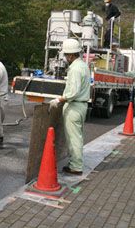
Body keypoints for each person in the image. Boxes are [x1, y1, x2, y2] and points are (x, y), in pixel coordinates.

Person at [49, 39, 90, 175]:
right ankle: (75, 162)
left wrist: (58, 99)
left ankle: (76, 166)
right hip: (81, 106)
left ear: (71, 55)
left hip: (74, 106)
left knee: (74, 138)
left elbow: (73, 92)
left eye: (66, 55)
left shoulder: (75, 69)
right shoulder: (83, 66)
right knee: (77, 136)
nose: (66, 58)